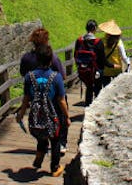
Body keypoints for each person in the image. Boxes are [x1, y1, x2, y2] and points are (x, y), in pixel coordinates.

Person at [16, 44, 70, 177]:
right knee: (55, 140)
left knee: (41, 135)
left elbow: (26, 99)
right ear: (51, 59)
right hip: (53, 115)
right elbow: (61, 100)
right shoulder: (56, 77)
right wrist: (67, 117)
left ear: (37, 60)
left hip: (36, 115)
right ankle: (54, 167)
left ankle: (39, 158)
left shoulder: (29, 77)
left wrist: (21, 114)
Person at [19, 27, 69, 152]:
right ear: (46, 41)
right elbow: (62, 76)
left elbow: (23, 74)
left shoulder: (26, 58)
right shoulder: (52, 57)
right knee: (60, 117)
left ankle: (43, 142)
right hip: (54, 96)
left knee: (38, 117)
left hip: (35, 96)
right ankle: (61, 143)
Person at [74, 19, 106, 106]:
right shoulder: (98, 42)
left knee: (89, 87)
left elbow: (75, 55)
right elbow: (102, 59)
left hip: (84, 71)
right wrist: (101, 71)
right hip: (95, 71)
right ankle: (97, 108)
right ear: (94, 28)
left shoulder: (80, 40)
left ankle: (87, 106)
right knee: (98, 90)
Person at [99, 20, 131, 87]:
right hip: (117, 68)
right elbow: (123, 56)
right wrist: (128, 63)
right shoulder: (118, 42)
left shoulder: (101, 41)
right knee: (117, 87)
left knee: (105, 88)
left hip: (105, 68)